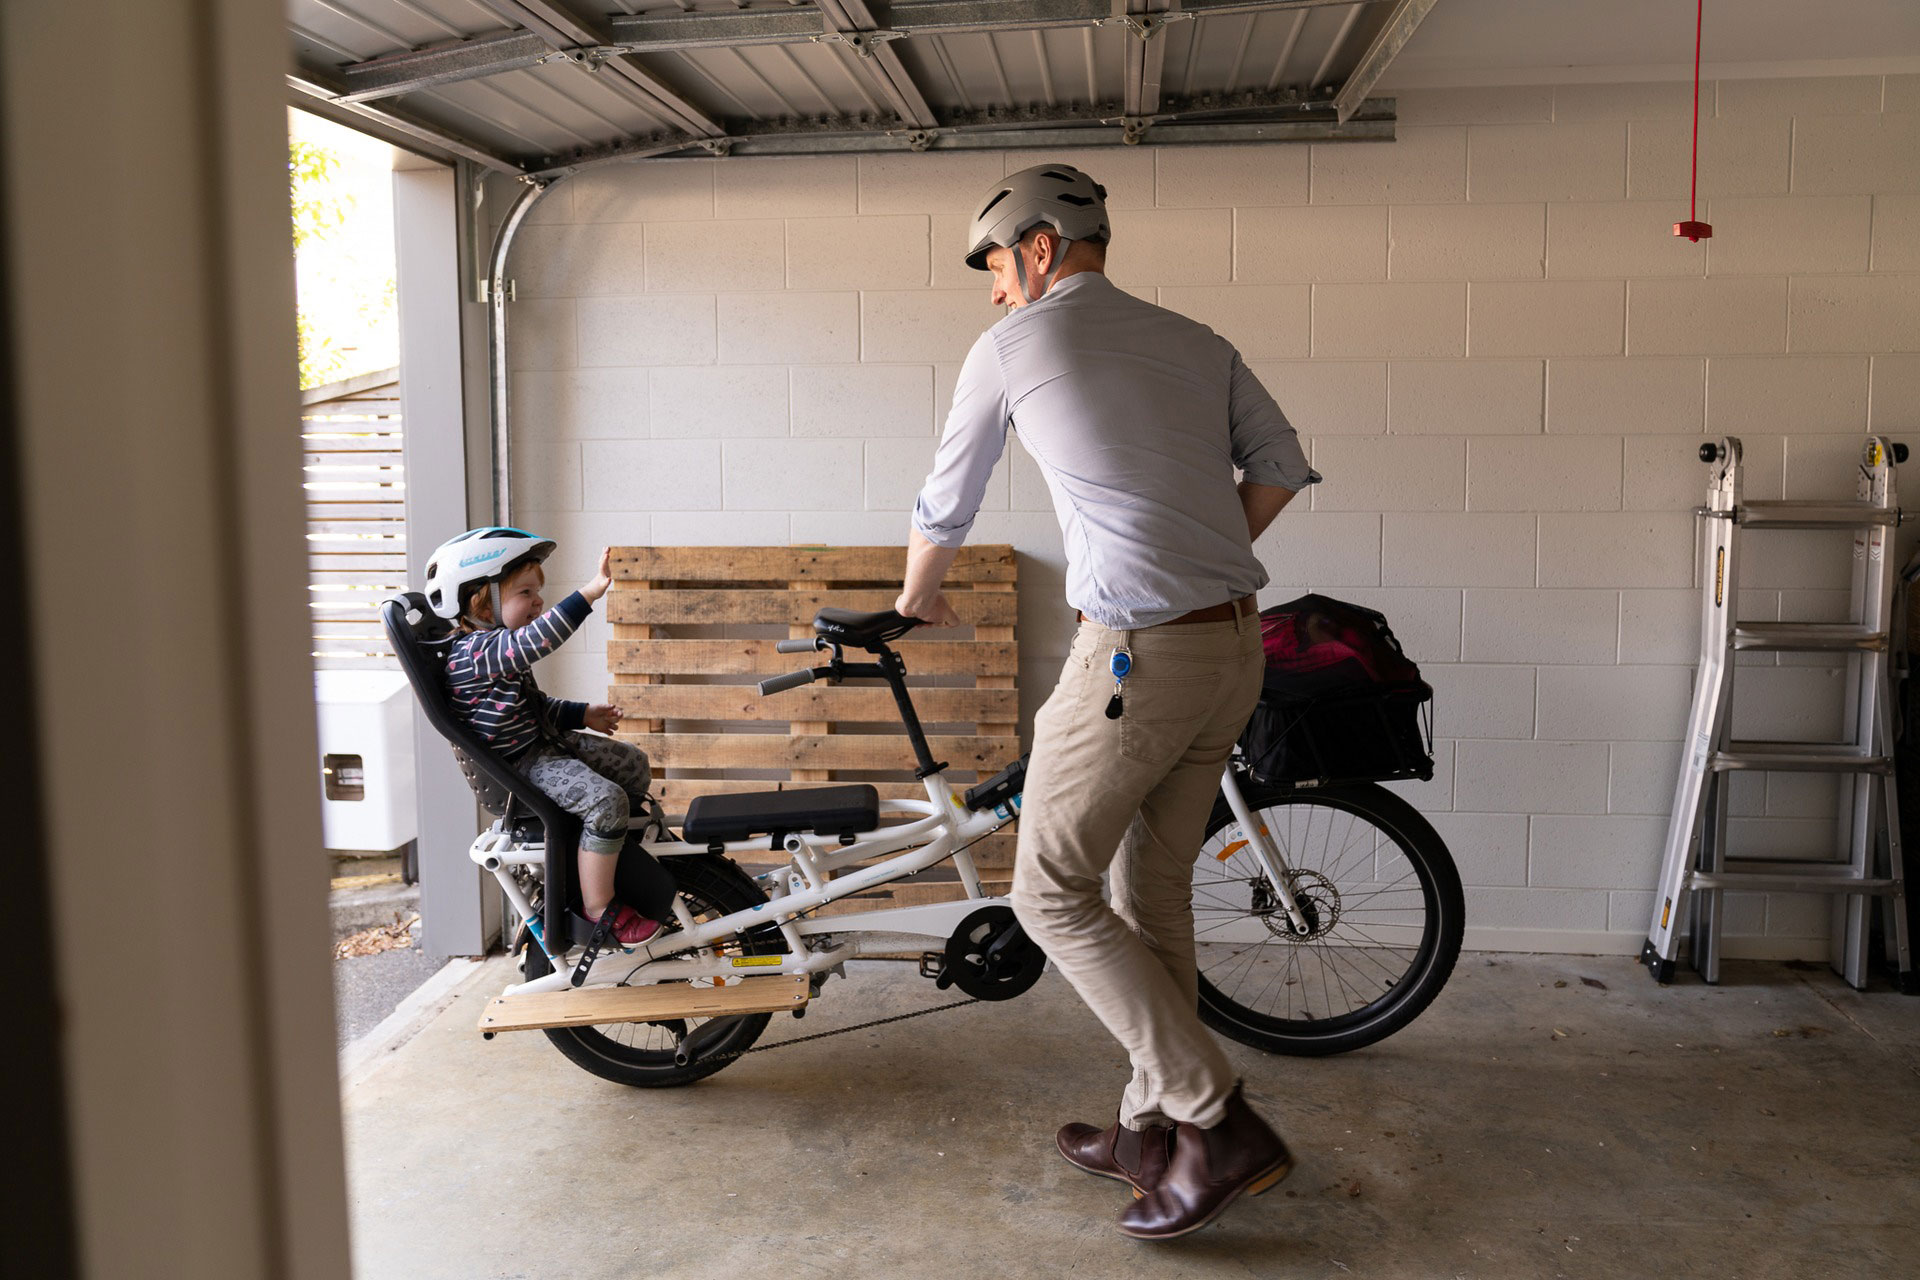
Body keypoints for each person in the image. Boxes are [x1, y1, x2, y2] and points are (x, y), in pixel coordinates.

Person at [894, 164, 1320, 1241]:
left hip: (1138, 658)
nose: (992, 291)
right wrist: (1201, 556)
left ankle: (1213, 1116)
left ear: (1039, 247)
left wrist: (915, 601)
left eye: (995, 264)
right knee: (1152, 888)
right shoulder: (1198, 341)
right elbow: (1279, 464)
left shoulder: (1011, 349)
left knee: (1046, 889)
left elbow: (946, 498)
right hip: (1233, 646)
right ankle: (1153, 1131)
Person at [424, 526, 663, 945]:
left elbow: (529, 707)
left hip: (540, 748)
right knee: (608, 801)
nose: (538, 601)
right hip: (521, 770)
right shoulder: (477, 651)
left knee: (632, 764)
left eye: (538, 591)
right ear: (482, 598)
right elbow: (538, 640)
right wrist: (590, 591)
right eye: (525, 593)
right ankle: (599, 908)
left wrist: (581, 714)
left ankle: (602, 853)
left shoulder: (492, 647)